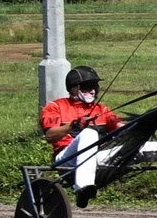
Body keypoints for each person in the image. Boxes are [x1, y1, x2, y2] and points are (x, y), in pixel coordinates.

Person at [39, 66, 123, 198]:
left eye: (95, 86)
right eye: (88, 86)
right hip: (66, 158)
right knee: (89, 133)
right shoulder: (56, 106)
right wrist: (74, 125)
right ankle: (83, 187)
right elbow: (50, 136)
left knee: (140, 144)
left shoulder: (102, 109)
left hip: (97, 156)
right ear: (74, 88)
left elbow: (120, 126)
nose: (93, 91)